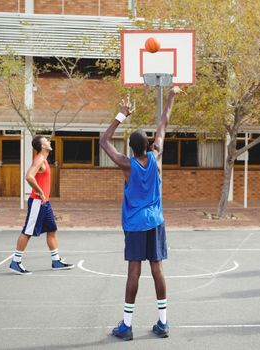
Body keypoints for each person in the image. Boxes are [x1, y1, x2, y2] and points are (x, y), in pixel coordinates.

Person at [100, 87, 182, 341]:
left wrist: (121, 115)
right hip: (155, 222)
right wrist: (171, 96)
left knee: (133, 271)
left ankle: (126, 326)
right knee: (157, 269)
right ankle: (164, 323)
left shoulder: (126, 164)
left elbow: (104, 141)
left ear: (130, 147)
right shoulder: (155, 154)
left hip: (136, 224)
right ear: (147, 144)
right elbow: (164, 122)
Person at [9, 135, 73, 275]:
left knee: (52, 229)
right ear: (42, 146)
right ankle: (16, 261)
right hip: (37, 201)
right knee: (28, 231)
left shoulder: (44, 159)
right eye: (46, 141)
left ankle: (56, 261)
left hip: (45, 203)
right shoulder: (39, 159)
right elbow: (29, 176)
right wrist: (40, 191)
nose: (49, 142)